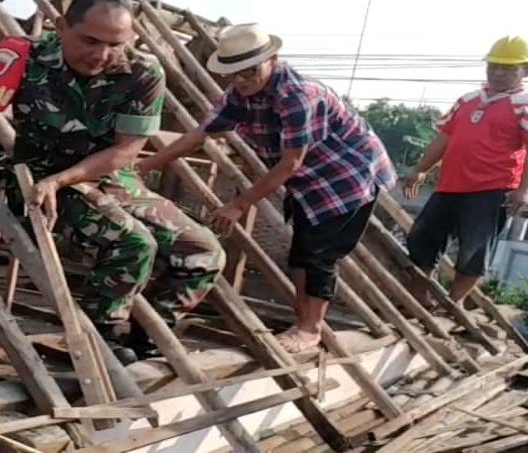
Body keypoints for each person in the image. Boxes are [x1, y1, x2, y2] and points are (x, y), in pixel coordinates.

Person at [0, 0, 225, 363]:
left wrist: (64, 180)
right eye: (90, 40)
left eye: (114, 44)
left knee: (205, 251)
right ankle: (100, 336)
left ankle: (147, 338)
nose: (101, 54)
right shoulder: (21, 54)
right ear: (62, 27)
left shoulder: (143, 72)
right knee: (135, 243)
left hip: (109, 177)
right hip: (36, 179)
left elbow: (126, 151)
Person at [138, 23, 398, 353]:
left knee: (318, 253)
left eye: (250, 71)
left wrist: (240, 204)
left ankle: (309, 329)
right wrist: (143, 166)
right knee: (302, 251)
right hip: (309, 179)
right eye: (235, 74)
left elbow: (290, 163)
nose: (243, 80)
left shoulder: (295, 96)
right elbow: (198, 134)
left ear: (273, 59)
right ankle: (302, 320)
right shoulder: (238, 95)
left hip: (346, 176)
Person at [402, 36, 528, 308]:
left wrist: (525, 188)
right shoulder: (468, 100)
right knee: (421, 238)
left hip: (492, 189)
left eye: (508, 68)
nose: (498, 72)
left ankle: (454, 303)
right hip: (450, 185)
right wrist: (420, 169)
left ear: (526, 71)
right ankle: (419, 298)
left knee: (474, 250)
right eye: (494, 66)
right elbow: (444, 139)